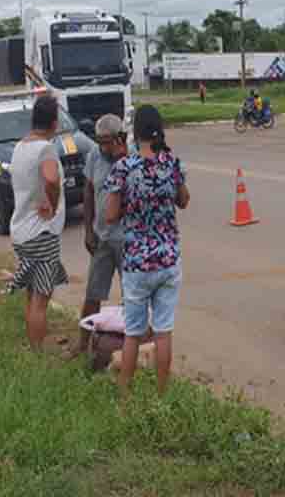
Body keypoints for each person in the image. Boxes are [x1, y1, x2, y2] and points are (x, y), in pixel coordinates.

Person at [105, 105, 190, 395]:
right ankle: (162, 394)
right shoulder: (172, 163)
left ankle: (124, 395)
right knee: (163, 332)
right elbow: (184, 200)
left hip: (138, 263)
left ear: (134, 131)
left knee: (133, 333)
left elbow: (110, 215)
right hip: (168, 260)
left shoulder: (124, 168)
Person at [8, 93, 68, 351]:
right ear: (54, 122)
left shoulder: (20, 146)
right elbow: (52, 179)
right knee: (41, 299)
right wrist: (53, 205)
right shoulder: (46, 148)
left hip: (21, 231)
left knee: (31, 293)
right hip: (41, 233)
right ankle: (36, 355)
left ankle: (31, 347)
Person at [71, 114, 128, 358]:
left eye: (107, 142)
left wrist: (124, 160)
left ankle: (128, 350)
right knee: (93, 294)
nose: (102, 146)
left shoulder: (132, 158)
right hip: (102, 238)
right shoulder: (95, 155)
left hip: (128, 241)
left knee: (132, 299)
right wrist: (88, 231)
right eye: (99, 141)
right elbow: (88, 190)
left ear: (119, 138)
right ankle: (83, 344)